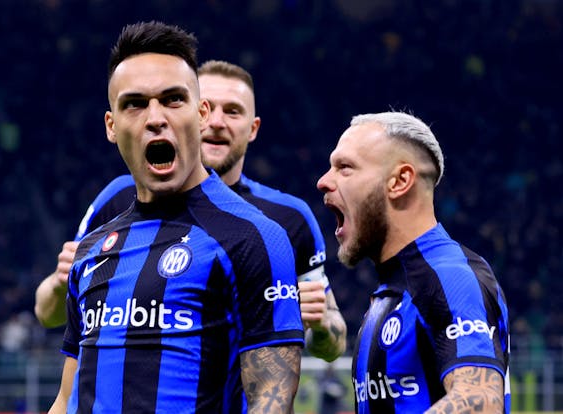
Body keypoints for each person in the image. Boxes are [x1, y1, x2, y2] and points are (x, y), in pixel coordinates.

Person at [48, 21, 303, 413]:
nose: (155, 117)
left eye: (172, 99)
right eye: (135, 103)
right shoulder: (92, 249)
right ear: (111, 126)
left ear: (200, 115)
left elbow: (271, 401)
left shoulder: (254, 238)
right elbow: (66, 398)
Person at [35, 61, 347, 361]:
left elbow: (334, 345)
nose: (218, 122)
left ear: (253, 129)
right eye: (208, 108)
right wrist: (61, 283)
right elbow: (47, 314)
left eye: (233, 111)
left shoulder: (288, 218)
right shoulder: (120, 197)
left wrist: (319, 326)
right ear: (193, 115)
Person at [316, 111, 510, 413]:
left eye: (345, 168)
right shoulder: (390, 292)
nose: (323, 182)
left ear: (400, 181)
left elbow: (481, 402)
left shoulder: (451, 277)